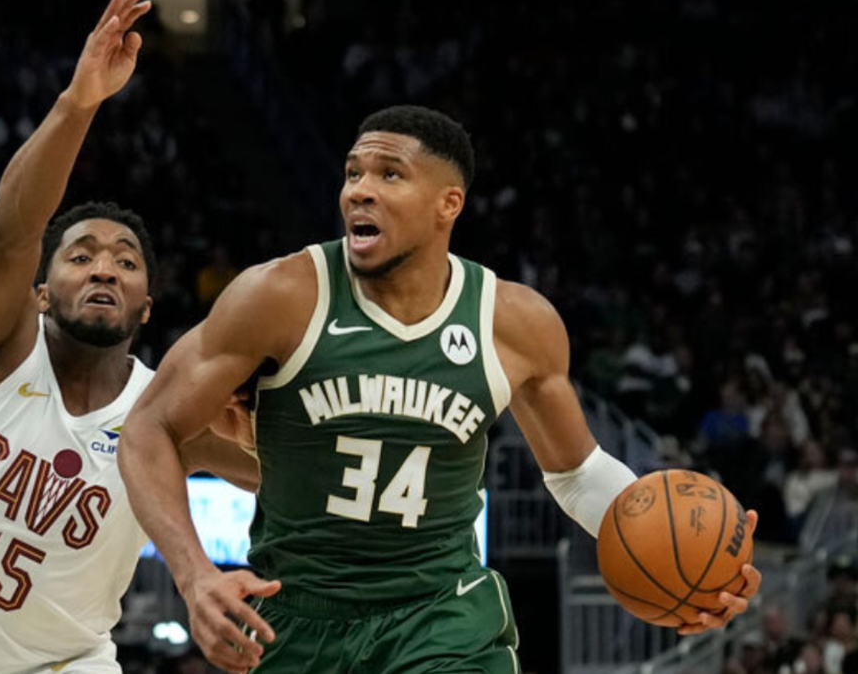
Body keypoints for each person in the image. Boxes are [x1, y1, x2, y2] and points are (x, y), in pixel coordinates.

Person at [118, 105, 763, 674]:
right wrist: (195, 576)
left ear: (448, 204)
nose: (359, 191)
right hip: (298, 615)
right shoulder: (279, 296)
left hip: (440, 613)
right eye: (353, 173)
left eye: (389, 175)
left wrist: (683, 561)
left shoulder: (514, 322)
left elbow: (577, 474)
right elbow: (148, 429)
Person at [0, 1, 256, 673]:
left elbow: (296, 476)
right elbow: (9, 233)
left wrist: (268, 435)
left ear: (146, 308)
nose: (104, 267)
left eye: (126, 262)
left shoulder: (166, 412)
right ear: (41, 291)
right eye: (81, 256)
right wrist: (79, 104)